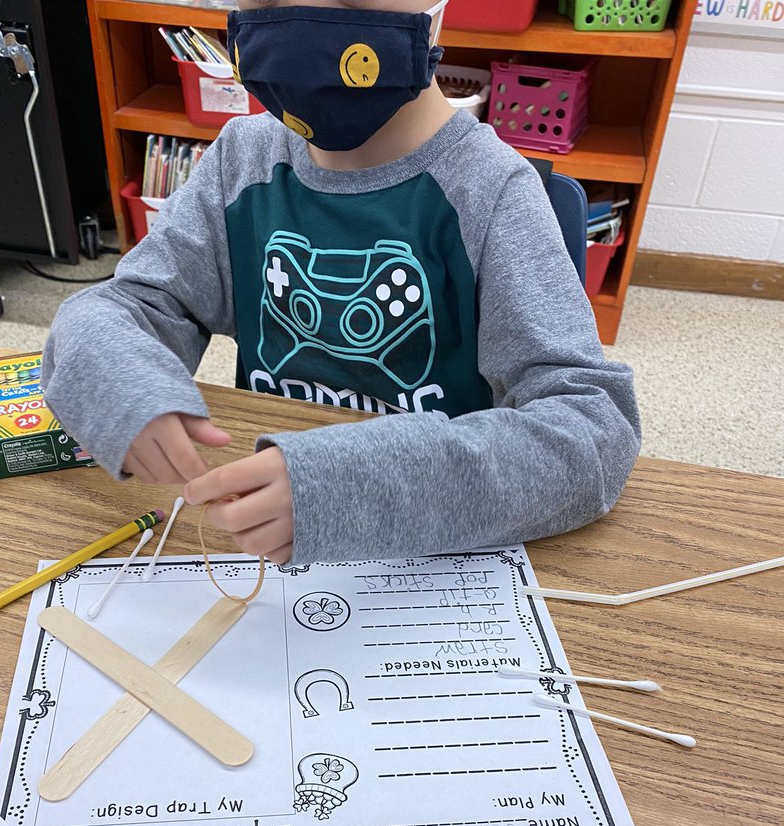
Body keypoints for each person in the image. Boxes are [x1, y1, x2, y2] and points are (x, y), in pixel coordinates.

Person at [42, 0, 639, 566]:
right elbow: (126, 306)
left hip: (430, 563)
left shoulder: (492, 191)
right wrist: (119, 377)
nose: (306, 13)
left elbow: (593, 428)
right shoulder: (241, 161)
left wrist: (355, 487)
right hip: (267, 551)